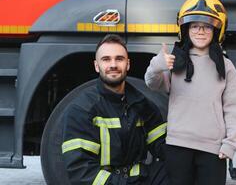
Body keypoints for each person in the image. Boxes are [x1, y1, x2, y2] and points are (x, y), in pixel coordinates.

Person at [144, 0, 236, 185]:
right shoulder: (174, 60)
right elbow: (152, 83)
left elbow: (234, 108)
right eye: (195, 26)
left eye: (207, 26)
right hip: (177, 146)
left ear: (217, 30)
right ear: (185, 28)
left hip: (212, 149)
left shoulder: (225, 66)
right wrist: (157, 65)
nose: (200, 31)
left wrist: (231, 144)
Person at [62, 34, 168, 185]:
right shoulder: (82, 109)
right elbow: (81, 172)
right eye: (106, 59)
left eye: (119, 59)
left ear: (128, 64)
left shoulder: (141, 103)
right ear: (96, 66)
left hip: (138, 179)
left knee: (178, 171)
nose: (113, 65)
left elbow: (163, 146)